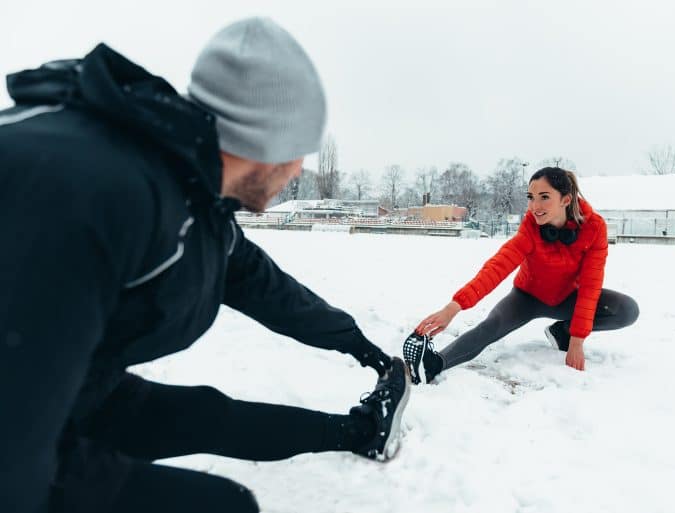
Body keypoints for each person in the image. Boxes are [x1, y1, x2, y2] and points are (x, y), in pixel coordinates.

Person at [0, 18, 409, 513]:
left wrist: (353, 342)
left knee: (205, 414)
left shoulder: (187, 185)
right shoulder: (91, 193)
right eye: (300, 150)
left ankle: (360, 433)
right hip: (19, 422)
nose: (301, 168)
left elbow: (260, 283)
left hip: (63, 388)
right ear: (267, 143)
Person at [403, 167, 639, 384]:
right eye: (531, 197)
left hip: (568, 298)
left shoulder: (594, 228)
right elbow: (496, 268)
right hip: (526, 297)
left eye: (544, 197)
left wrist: (576, 340)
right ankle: (434, 364)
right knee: (491, 327)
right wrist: (452, 308)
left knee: (627, 309)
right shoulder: (530, 228)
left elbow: (591, 284)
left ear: (566, 200)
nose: (534, 206)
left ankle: (561, 332)